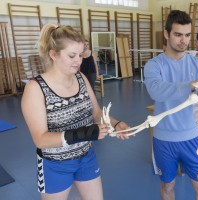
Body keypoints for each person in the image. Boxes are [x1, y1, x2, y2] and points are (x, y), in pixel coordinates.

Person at [21, 24, 129, 200]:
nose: (78, 61)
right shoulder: (36, 88)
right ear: (53, 54)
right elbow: (40, 139)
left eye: (80, 55)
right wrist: (84, 133)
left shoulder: (80, 78)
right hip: (54, 165)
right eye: (72, 55)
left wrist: (115, 124)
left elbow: (96, 112)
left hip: (86, 157)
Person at [144, 10, 198, 200]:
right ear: (167, 34)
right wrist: (192, 84)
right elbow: (157, 90)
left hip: (191, 138)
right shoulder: (154, 65)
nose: (183, 40)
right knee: (167, 186)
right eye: (178, 34)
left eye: (187, 35)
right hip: (163, 140)